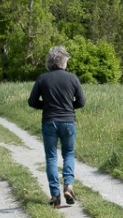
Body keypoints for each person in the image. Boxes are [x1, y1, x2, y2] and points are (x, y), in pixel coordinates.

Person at [28, 45, 85, 207]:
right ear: (63, 62)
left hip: (49, 121)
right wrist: (67, 106)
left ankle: (55, 195)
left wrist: (47, 106)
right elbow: (81, 102)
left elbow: (32, 101)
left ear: (50, 62)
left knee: (51, 157)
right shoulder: (72, 78)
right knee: (68, 154)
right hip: (68, 122)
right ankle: (68, 186)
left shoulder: (42, 78)